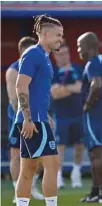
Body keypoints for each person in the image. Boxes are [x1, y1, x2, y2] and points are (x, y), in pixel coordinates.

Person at [14, 14, 63, 206]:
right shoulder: (33, 53)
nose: (60, 39)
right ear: (44, 34)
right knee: (52, 165)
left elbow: (37, 91)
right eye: (58, 35)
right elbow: (20, 85)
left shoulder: (44, 57)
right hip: (32, 121)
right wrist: (28, 118)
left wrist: (46, 115)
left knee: (28, 169)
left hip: (37, 118)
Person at [78, 32, 102, 203]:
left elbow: (96, 85)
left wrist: (87, 104)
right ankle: (96, 191)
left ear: (89, 46)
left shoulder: (92, 64)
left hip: (94, 111)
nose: (78, 49)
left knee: (98, 151)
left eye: (80, 46)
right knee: (95, 152)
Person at [6, 36, 44, 203]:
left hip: (36, 117)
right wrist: (25, 119)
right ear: (21, 52)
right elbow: (14, 100)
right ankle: (17, 190)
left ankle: (31, 186)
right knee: (16, 155)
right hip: (19, 118)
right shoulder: (13, 70)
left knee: (38, 155)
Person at [51, 42, 84, 189]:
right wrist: (72, 88)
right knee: (60, 147)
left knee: (79, 145)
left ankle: (76, 173)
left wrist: (64, 88)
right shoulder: (52, 71)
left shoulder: (78, 69)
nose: (63, 57)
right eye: (59, 54)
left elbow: (81, 88)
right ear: (54, 55)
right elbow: (55, 94)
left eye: (65, 53)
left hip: (78, 114)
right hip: (61, 116)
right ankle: (58, 177)